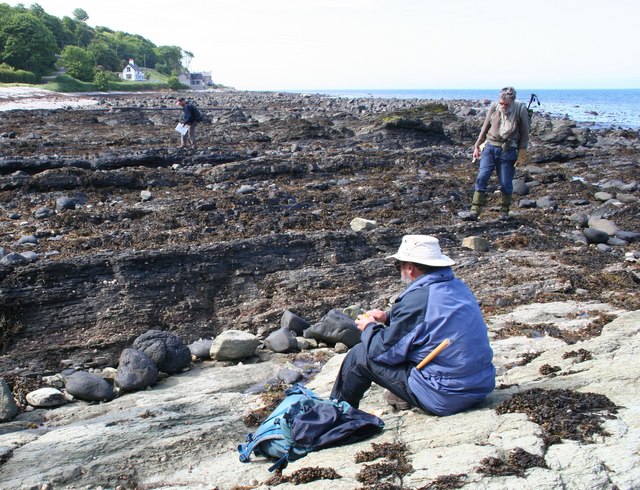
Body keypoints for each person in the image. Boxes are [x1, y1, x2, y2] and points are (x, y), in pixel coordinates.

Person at [330, 235, 495, 416]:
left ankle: (337, 415)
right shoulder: (457, 286)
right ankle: (402, 395)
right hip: (480, 386)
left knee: (359, 355)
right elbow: (431, 320)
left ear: (409, 267)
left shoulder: (418, 300)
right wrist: (388, 317)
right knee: (411, 347)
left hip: (447, 395)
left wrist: (369, 327)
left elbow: (382, 352)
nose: (399, 270)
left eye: (398, 265)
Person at [468, 86, 531, 220]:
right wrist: (477, 146)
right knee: (482, 177)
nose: (502, 106)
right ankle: (475, 210)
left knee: (505, 183)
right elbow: (485, 127)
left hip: (508, 151)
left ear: (512, 101)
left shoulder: (520, 110)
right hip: (490, 148)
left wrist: (522, 154)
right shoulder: (494, 107)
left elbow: (525, 135)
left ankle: (504, 211)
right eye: (501, 103)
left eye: (506, 104)